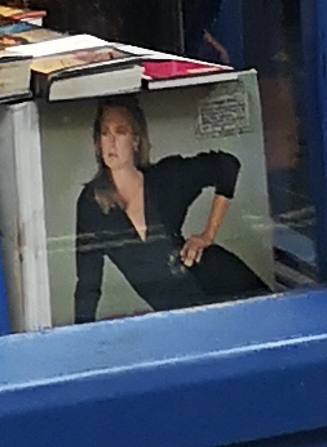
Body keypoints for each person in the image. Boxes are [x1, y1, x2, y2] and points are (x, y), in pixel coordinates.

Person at [73, 92, 267, 320]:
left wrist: (208, 234)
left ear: (135, 140)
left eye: (121, 132)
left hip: (224, 281)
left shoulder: (166, 177)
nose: (111, 142)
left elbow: (226, 166)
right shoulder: (92, 203)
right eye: (105, 133)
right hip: (185, 319)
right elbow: (88, 286)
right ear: (97, 142)